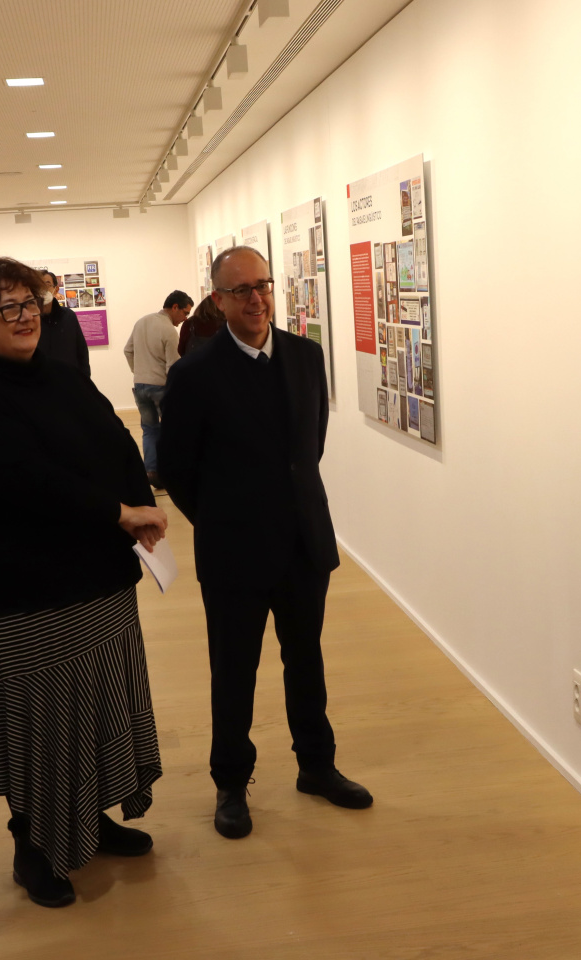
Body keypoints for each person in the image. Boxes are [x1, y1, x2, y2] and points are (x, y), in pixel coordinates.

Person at [0, 257, 165, 908]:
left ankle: (90, 820)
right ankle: (33, 845)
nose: (23, 317)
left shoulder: (63, 377)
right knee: (42, 725)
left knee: (94, 713)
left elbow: (117, 444)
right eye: (6, 308)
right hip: (27, 591)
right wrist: (117, 512)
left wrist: (139, 505)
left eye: (30, 303)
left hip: (98, 581)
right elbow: (28, 483)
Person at [159, 245, 372, 841]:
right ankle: (230, 781)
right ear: (218, 300)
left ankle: (317, 766)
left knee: (306, 660)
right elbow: (177, 470)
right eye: (241, 290)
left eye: (263, 286)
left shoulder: (306, 356)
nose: (256, 299)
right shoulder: (195, 373)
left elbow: (312, 445)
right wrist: (225, 519)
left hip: (304, 542)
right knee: (235, 670)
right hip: (234, 550)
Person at [123, 290, 192, 487]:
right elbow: (173, 366)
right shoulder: (169, 330)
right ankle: (173, 472)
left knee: (149, 430)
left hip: (140, 386)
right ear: (175, 307)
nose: (184, 319)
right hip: (161, 388)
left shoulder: (142, 321)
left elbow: (127, 350)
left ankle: (152, 473)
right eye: (185, 313)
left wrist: (139, 372)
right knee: (172, 429)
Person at [33, 269, 91, 378]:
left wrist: (85, 382)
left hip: (69, 383)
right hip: (40, 384)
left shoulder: (69, 316)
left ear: (56, 289)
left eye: (47, 284)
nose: (43, 289)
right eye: (39, 285)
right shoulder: (30, 319)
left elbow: (82, 352)